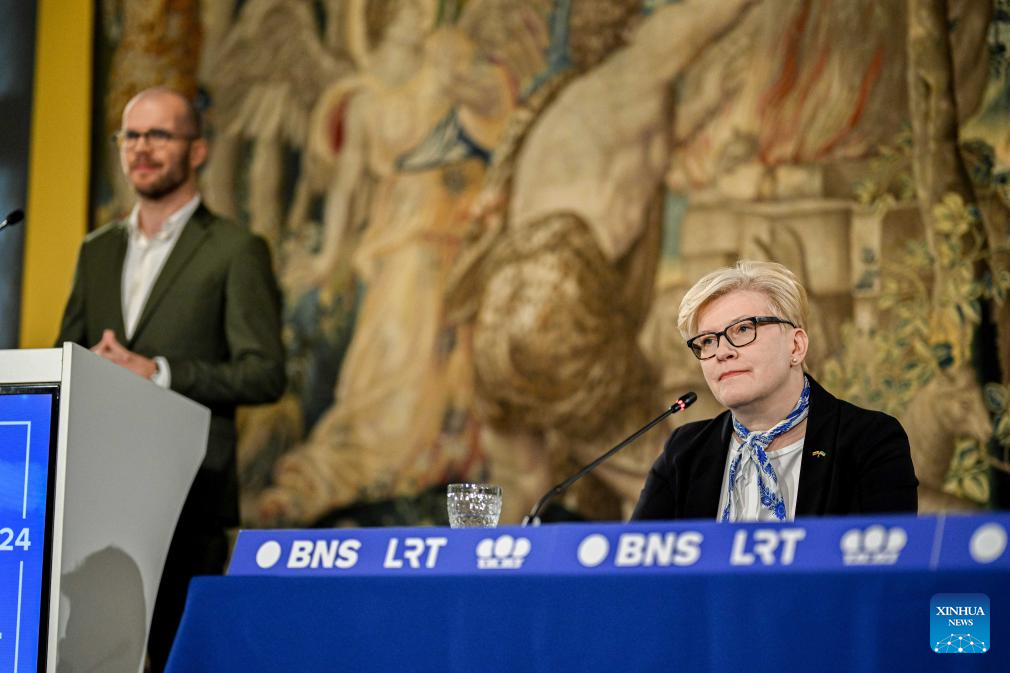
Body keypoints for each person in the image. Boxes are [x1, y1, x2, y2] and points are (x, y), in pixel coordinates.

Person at [56, 87, 285, 670]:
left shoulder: (235, 249)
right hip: (96, 501)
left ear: (197, 150)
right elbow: (66, 356)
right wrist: (87, 366)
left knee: (181, 661)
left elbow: (265, 374)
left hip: (190, 498)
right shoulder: (96, 250)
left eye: (159, 135)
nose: (141, 148)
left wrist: (158, 373)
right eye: (130, 136)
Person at [632, 260, 918, 521]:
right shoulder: (684, 452)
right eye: (707, 341)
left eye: (743, 329)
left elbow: (885, 556)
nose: (721, 352)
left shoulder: (869, 440)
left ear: (796, 346)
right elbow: (634, 556)